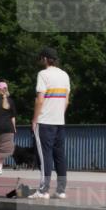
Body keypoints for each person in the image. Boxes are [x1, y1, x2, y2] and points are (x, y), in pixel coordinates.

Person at [28, 47, 71, 199]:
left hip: (44, 121)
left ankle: (43, 190)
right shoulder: (64, 75)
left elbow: (40, 99)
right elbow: (66, 100)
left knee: (44, 155)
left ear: (45, 59)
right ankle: (61, 190)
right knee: (59, 155)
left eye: (41, 58)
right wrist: (59, 114)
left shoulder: (43, 74)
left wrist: (34, 119)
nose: (40, 61)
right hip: (60, 121)